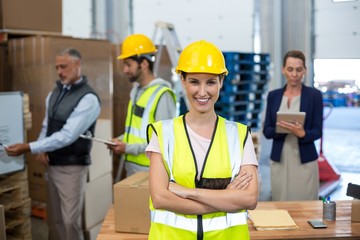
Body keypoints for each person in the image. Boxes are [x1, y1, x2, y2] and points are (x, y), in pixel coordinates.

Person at [145, 40, 258, 239]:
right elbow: (161, 198)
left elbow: (249, 198)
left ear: (221, 82)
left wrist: (189, 192)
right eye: (194, 82)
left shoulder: (239, 136)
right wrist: (225, 197)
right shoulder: (162, 133)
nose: (203, 92)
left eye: (211, 82)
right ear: (182, 80)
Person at [5, 48, 101, 240]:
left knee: (69, 222)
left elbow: (68, 135)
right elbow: (46, 125)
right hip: (52, 164)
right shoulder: (55, 93)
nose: (59, 71)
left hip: (72, 168)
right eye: (57, 67)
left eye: (63, 66)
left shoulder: (88, 99)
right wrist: (42, 147)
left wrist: (30, 147)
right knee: (56, 220)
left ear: (77, 65)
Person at [108, 33, 176, 177]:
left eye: (128, 64)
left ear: (144, 64)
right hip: (132, 168)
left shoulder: (162, 95)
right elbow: (136, 131)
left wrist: (127, 148)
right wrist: (121, 140)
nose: (125, 70)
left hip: (150, 171)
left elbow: (164, 140)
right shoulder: (137, 92)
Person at [263, 50, 323, 201]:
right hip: (280, 159)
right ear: (283, 70)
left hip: (305, 160)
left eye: (298, 69)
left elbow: (317, 130)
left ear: (305, 71)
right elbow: (266, 130)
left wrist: (302, 133)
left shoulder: (314, 96)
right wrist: (280, 128)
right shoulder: (274, 96)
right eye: (290, 69)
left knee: (307, 205)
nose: (294, 74)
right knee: (280, 202)